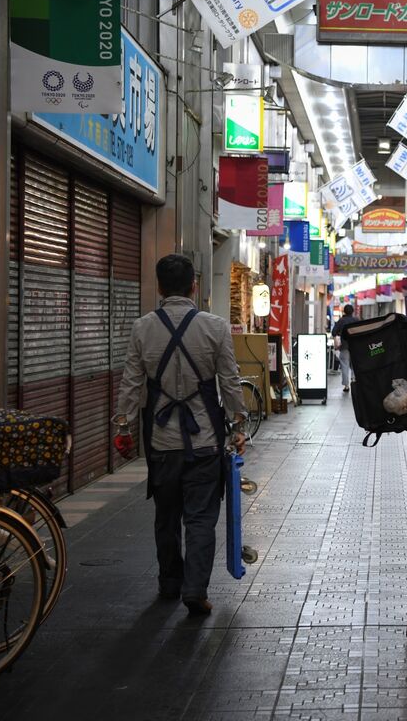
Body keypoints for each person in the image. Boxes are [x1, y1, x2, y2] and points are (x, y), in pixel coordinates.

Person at [113, 254, 247, 616]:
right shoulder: (215, 326)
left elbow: (131, 382)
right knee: (201, 518)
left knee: (166, 516)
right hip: (203, 441)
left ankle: (170, 583)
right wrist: (238, 426)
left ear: (159, 287)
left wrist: (122, 427)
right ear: (194, 285)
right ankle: (195, 589)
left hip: (160, 443)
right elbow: (230, 381)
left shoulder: (143, 327)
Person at [331, 304, 361, 392]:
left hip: (344, 346)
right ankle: (354, 381)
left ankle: (346, 386)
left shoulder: (341, 321)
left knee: (344, 365)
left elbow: (333, 332)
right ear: (353, 311)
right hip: (355, 346)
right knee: (354, 365)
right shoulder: (356, 320)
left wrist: (340, 333)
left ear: (344, 311)